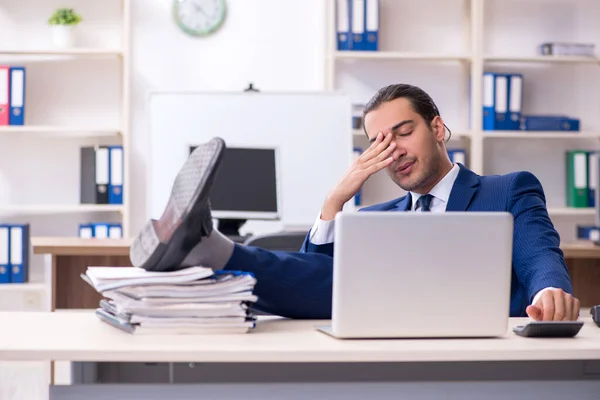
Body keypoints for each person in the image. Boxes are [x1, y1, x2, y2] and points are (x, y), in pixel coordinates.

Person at [130, 83, 580, 322]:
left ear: (437, 129)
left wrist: (549, 293)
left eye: (404, 133)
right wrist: (334, 201)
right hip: (389, 333)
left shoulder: (508, 190)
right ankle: (211, 249)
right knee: (335, 277)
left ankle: (212, 250)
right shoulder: (372, 218)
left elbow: (538, 255)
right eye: (379, 142)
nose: (395, 150)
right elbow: (314, 284)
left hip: (475, 338)